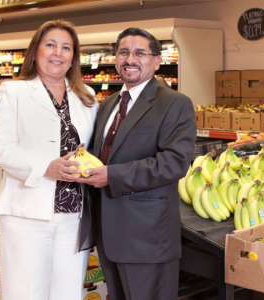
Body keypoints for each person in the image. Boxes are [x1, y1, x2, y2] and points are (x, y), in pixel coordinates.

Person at [77, 27, 196, 300]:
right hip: (107, 232)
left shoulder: (174, 103)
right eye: (124, 52)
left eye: (140, 53)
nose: (130, 59)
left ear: (156, 60)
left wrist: (111, 175)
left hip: (147, 236)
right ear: (116, 58)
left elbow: (174, 163)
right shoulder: (107, 105)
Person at [0, 20, 97, 300]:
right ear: (35, 50)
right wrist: (47, 167)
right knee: (25, 292)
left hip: (74, 214)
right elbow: (0, 148)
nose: (57, 53)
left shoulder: (87, 98)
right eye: (50, 45)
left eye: (66, 47)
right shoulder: (13, 91)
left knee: (68, 293)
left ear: (74, 56)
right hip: (27, 214)